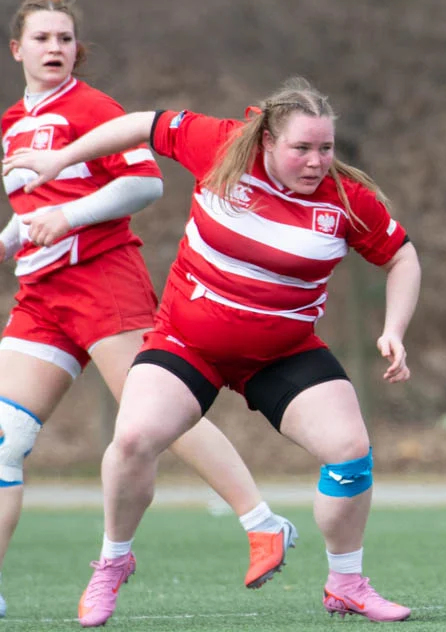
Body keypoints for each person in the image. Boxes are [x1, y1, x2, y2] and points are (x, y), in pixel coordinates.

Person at [3, 77, 420, 626]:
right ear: (267, 141)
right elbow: (141, 125)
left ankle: (346, 583)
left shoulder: (345, 199)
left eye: (326, 148)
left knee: (349, 451)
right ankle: (112, 563)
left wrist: (395, 328)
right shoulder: (220, 145)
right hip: (187, 342)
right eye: (302, 148)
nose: (317, 161)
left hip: (282, 351)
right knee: (131, 438)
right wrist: (61, 160)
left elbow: (402, 257)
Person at [1, 0, 296, 617]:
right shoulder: (11, 122)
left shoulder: (90, 107)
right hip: (40, 298)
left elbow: (146, 182)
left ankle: (263, 520)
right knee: (4, 442)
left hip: (103, 281)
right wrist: (10, 237)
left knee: (158, 416)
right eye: (43, 37)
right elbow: (32, 211)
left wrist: (69, 216)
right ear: (16, 49)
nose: (55, 47)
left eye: (66, 38)